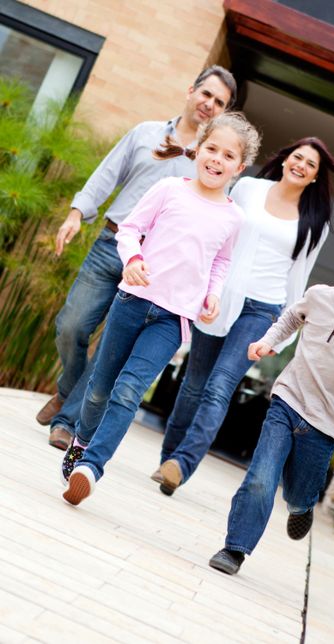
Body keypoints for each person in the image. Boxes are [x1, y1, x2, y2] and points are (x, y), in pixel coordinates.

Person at [60, 112, 261, 506]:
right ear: (198, 149)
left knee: (129, 391)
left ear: (240, 167)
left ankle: (91, 467)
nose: (216, 160)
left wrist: (212, 295)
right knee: (100, 388)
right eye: (211, 149)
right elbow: (131, 229)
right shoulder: (169, 189)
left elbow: (220, 262)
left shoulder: (234, 217)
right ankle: (82, 442)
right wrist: (133, 260)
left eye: (227, 156)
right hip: (131, 302)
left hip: (173, 318)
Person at [35, 65, 237, 450]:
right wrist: (77, 213)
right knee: (72, 326)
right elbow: (106, 174)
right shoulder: (145, 133)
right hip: (113, 244)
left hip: (156, 269)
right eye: (206, 94)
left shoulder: (213, 162)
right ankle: (68, 389)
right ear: (190, 90)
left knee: (110, 349)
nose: (209, 104)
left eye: (219, 102)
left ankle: (66, 421)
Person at [152, 138, 334, 496]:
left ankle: (182, 464)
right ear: (284, 160)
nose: (301, 166)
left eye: (310, 165)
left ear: (314, 177)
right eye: (297, 157)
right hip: (219, 297)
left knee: (220, 385)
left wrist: (286, 332)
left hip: (263, 308)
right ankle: (169, 460)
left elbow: (299, 277)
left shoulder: (315, 222)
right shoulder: (248, 189)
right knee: (194, 381)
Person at [208, 226, 334, 575]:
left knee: (299, 492)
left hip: (327, 422)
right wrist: (268, 341)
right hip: (288, 400)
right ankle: (234, 549)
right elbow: (289, 319)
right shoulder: (318, 296)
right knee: (261, 477)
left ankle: (302, 506)